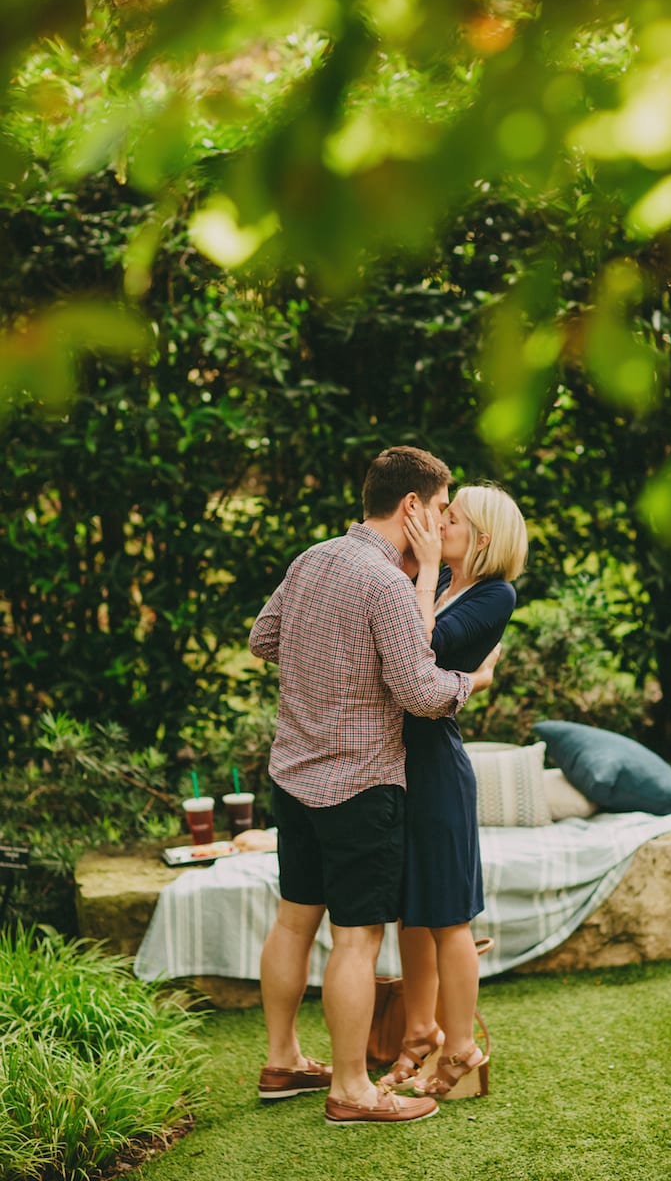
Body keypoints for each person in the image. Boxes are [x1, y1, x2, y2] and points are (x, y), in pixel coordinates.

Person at [248, 447, 500, 1126]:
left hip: (292, 772)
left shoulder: (312, 559)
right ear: (412, 505)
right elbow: (419, 693)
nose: (445, 520)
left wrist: (323, 663)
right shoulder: (388, 583)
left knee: (293, 920)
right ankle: (352, 1088)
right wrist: (470, 684)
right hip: (360, 784)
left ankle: (282, 1060)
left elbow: (262, 638)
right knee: (355, 940)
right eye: (443, 506)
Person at [380, 483, 528, 1100]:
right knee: (413, 911)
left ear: (483, 538)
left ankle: (461, 1046)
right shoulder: (438, 584)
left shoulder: (495, 594)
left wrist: (427, 573)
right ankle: (419, 1033)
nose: (439, 525)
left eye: (454, 519)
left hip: (437, 766)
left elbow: (422, 649)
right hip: (397, 759)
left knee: (449, 918)